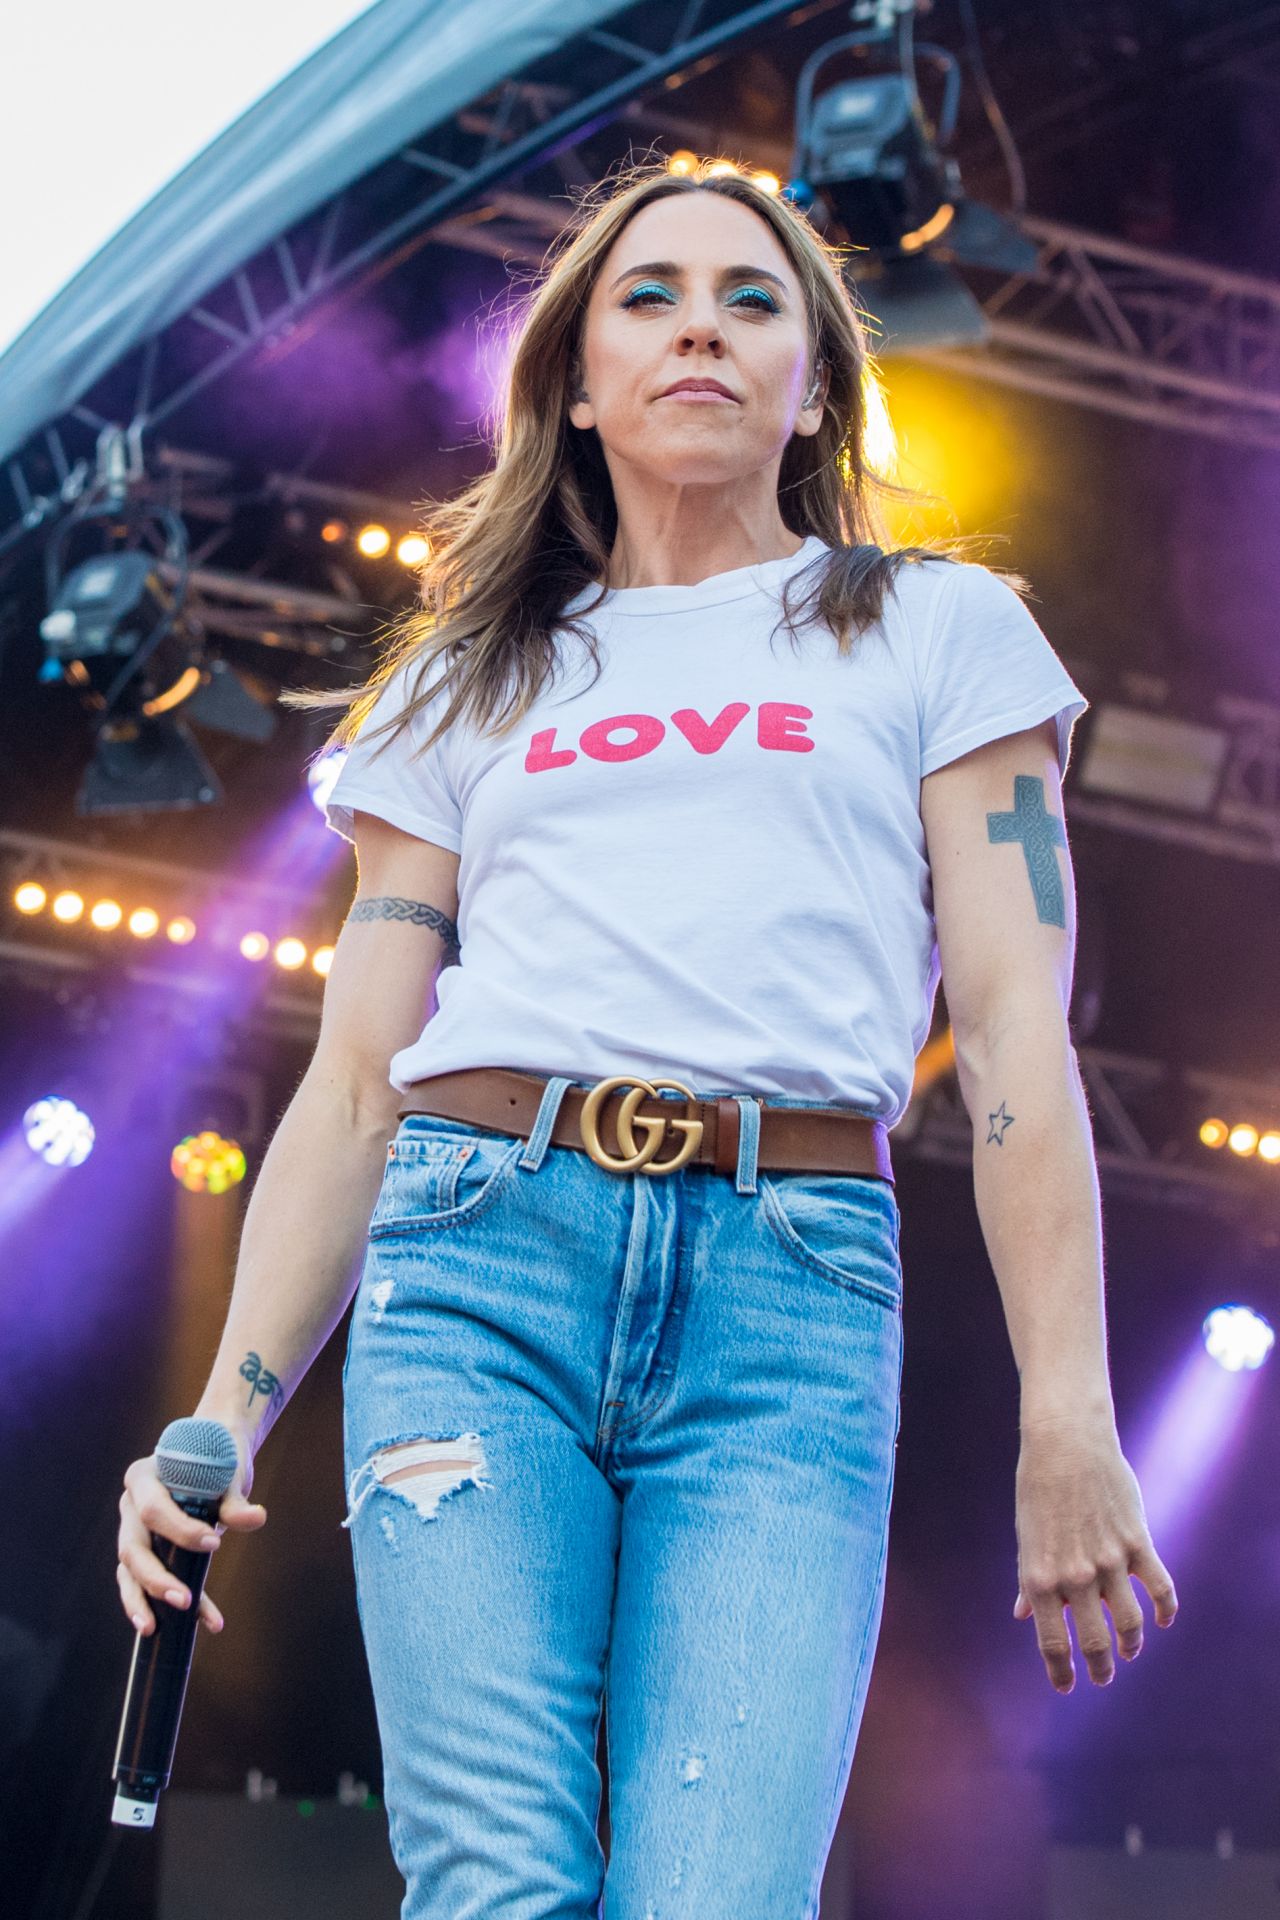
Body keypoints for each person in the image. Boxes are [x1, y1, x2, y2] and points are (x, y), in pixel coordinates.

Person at [117, 158, 1177, 1917]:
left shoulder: (938, 632)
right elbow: (360, 1076)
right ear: (579, 384)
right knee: (496, 1887)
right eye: (651, 296)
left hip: (789, 1298)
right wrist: (215, 1419)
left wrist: (1070, 1411)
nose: (703, 321)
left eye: (754, 298)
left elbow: (1010, 1037)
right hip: (477, 1263)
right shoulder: (463, 677)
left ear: (819, 383)